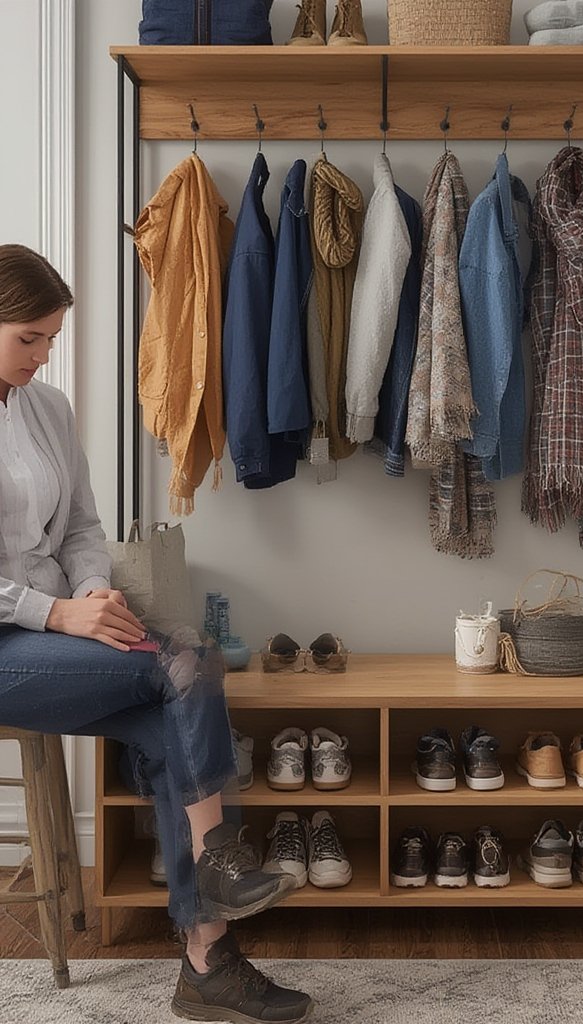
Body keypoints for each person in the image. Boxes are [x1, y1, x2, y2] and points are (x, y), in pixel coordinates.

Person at [0, 244, 314, 1024]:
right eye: (27, 339)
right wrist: (55, 613)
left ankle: (210, 955)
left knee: (180, 699)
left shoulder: (47, 407)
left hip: (59, 634)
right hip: (14, 641)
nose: (42, 356)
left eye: (50, 339)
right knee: (184, 668)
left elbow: (80, 526)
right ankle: (216, 895)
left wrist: (94, 589)